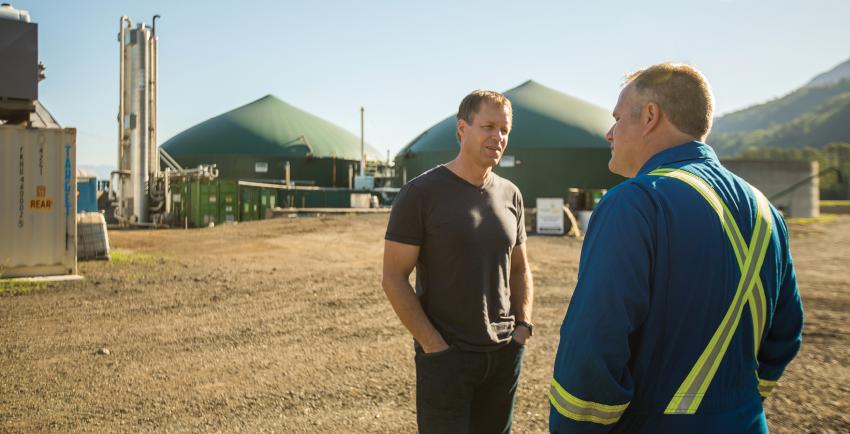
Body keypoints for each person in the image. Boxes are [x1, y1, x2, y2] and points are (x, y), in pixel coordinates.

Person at [549, 63, 804, 434]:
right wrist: (741, 399)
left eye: (618, 119)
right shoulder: (767, 210)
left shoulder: (635, 202)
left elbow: (593, 348)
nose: (609, 132)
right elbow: (786, 332)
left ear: (650, 116)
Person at [382, 90, 534, 434]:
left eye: (505, 130)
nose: (498, 137)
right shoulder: (421, 194)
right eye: (488, 126)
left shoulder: (511, 194)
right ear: (462, 129)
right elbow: (393, 277)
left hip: (503, 354)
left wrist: (522, 327)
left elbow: (520, 267)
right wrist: (434, 345)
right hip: (447, 358)